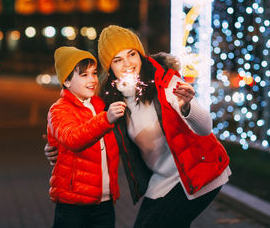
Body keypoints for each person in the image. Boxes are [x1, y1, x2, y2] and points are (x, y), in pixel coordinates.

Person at [45, 26, 231, 227]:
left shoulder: (165, 83)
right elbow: (82, 129)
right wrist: (55, 148)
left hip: (197, 173)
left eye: (131, 54)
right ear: (110, 69)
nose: (127, 64)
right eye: (117, 60)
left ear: (140, 55)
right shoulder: (111, 102)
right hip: (162, 180)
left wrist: (186, 107)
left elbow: (204, 129)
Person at [46, 46, 126, 228]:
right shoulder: (59, 109)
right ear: (66, 81)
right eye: (84, 75)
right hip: (73, 206)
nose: (92, 80)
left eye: (94, 73)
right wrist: (106, 119)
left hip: (105, 203)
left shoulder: (99, 104)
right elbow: (73, 139)